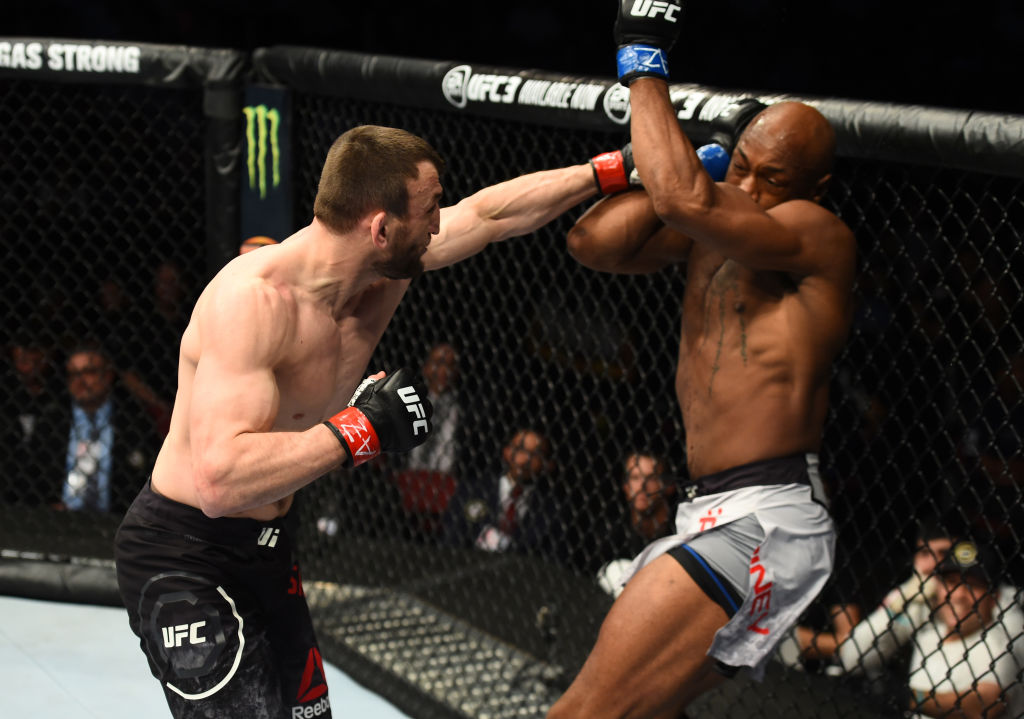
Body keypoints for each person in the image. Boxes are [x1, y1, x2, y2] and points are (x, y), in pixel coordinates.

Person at [114, 124, 602, 718]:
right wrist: (359, 429)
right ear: (380, 227)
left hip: (266, 546)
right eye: (430, 210)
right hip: (182, 550)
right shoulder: (254, 303)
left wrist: (607, 171)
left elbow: (491, 215)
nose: (439, 224)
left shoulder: (382, 274)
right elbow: (219, 482)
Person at [547, 4, 857, 718]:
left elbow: (681, 198)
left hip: (767, 513)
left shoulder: (816, 235)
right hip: (709, 507)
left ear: (814, 189)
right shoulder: (712, 216)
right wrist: (709, 159)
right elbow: (594, 242)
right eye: (740, 167)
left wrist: (643, 59)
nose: (747, 189)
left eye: (769, 178)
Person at [841, 538, 1024, 717]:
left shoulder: (1002, 641)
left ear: (994, 596)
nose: (959, 594)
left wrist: (911, 698)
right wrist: (901, 602)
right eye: (951, 582)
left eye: (972, 586)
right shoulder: (929, 632)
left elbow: (985, 705)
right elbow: (851, 657)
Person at [44, 341, 159, 513]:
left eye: (89, 372)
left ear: (108, 375)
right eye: (73, 374)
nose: (80, 381)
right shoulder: (51, 421)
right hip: (58, 518)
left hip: (117, 519)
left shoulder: (134, 421)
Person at [444, 426, 561, 556]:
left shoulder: (551, 509)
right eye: (520, 449)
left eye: (535, 454)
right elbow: (450, 537)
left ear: (548, 464)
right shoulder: (473, 489)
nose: (525, 460)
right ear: (507, 451)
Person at [597, 451, 677, 598]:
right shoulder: (613, 533)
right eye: (635, 477)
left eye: (651, 478)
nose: (642, 486)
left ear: (668, 486)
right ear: (626, 487)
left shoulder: (680, 534)